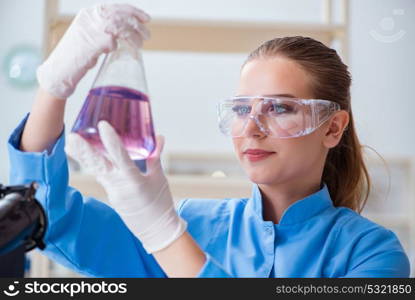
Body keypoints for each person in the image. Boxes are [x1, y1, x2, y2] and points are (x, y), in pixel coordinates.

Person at [8, 4, 410, 277]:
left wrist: (166, 236)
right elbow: (44, 213)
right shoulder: (192, 223)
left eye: (280, 108)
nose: (251, 127)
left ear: (333, 127)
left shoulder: (372, 254)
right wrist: (54, 85)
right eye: (241, 109)